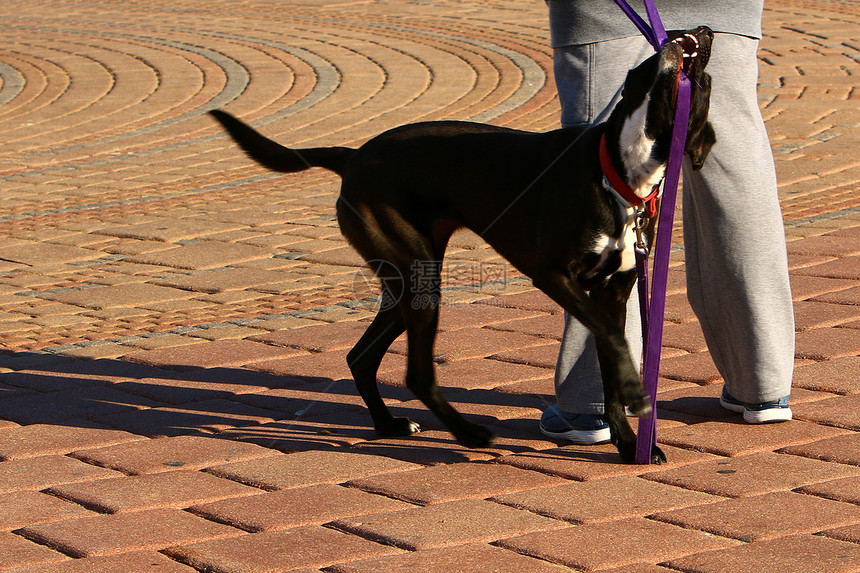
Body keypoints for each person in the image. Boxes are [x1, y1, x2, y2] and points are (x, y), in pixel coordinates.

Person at [540, 1, 795, 444]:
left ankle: (595, 400)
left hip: (607, 12)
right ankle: (763, 385)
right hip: (723, 9)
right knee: (735, 175)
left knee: (603, 184)